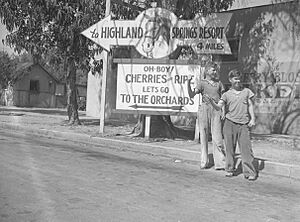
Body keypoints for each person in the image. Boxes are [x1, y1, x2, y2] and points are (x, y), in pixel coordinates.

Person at [204, 69, 257, 180]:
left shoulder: (247, 92)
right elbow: (219, 107)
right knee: (229, 148)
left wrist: (252, 119)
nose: (237, 81)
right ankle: (229, 169)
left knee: (246, 150)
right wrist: (212, 102)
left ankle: (250, 172)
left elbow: (251, 106)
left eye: (238, 78)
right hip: (229, 123)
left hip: (243, 124)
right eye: (235, 79)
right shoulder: (226, 94)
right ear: (230, 80)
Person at [187, 61, 226, 170]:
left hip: (216, 110)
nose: (215, 72)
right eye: (213, 70)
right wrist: (188, 83)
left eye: (216, 70)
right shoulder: (202, 83)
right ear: (207, 71)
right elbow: (191, 94)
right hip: (204, 109)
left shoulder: (219, 83)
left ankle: (220, 163)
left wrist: (223, 110)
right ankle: (204, 161)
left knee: (217, 137)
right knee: (203, 136)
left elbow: (223, 98)